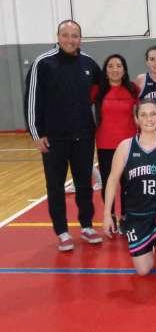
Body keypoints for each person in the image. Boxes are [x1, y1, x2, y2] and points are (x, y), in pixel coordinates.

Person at [24, 19, 103, 251]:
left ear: (80, 38)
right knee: (56, 186)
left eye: (74, 35)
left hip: (84, 136)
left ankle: (87, 226)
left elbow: (107, 88)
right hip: (53, 139)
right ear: (58, 37)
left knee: (84, 184)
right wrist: (36, 133)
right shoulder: (43, 63)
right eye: (66, 35)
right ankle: (62, 231)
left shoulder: (88, 63)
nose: (70, 40)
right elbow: (31, 100)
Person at [102, 99, 156, 289]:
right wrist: (107, 214)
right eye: (143, 115)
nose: (148, 119)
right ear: (136, 119)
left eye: (153, 114)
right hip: (138, 210)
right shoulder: (126, 147)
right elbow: (112, 180)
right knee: (143, 270)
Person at [92, 54, 139, 231]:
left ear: (124, 70)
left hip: (129, 144)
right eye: (110, 66)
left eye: (119, 66)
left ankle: (126, 216)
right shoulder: (97, 90)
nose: (115, 69)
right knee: (108, 182)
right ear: (105, 71)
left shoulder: (133, 89)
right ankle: (110, 216)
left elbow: (141, 113)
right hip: (105, 144)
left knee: (128, 183)